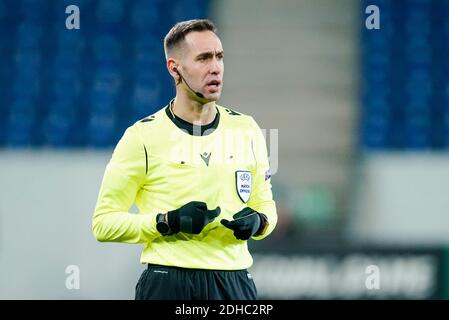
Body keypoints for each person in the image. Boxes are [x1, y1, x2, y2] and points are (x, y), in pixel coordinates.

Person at [92, 19, 277, 300]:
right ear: (174, 69)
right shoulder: (142, 136)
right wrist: (167, 221)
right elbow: (103, 223)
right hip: (168, 281)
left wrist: (259, 222)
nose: (215, 67)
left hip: (234, 282)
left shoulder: (247, 129)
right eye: (203, 58)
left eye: (219, 57)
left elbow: (266, 207)